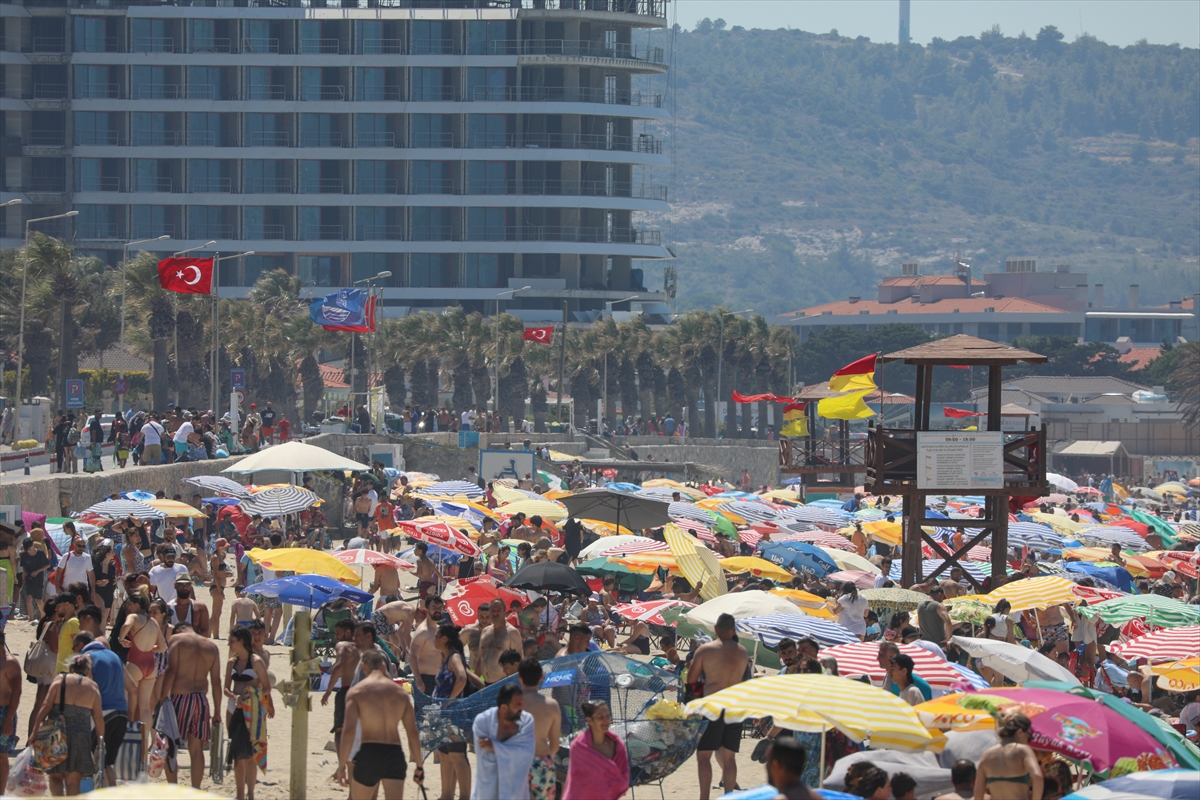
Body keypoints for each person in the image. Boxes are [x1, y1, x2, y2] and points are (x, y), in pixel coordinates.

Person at [337, 650, 424, 800]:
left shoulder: (357, 693)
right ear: (384, 666)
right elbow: (412, 733)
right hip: (394, 753)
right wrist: (419, 766)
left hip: (368, 752)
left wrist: (342, 766)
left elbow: (349, 731)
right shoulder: (400, 694)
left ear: (363, 667)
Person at [690, 613, 749, 800]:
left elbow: (691, 681)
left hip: (713, 706)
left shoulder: (705, 650)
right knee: (729, 758)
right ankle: (729, 796)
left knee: (704, 756)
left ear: (715, 629)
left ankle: (704, 798)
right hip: (735, 707)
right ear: (733, 631)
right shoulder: (742, 652)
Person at [32, 654, 104, 797]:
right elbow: (98, 718)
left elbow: (46, 706)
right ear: (88, 670)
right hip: (81, 738)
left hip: (56, 734)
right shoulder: (93, 687)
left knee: (55, 775)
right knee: (73, 780)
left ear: (70, 668)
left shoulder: (60, 680)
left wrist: (34, 732)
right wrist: (101, 742)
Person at [161, 622, 222, 789]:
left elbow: (171, 671)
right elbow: (216, 682)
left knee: (170, 747)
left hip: (180, 698)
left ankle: (173, 789)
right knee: (196, 750)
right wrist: (217, 711)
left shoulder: (177, 640)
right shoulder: (211, 646)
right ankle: (195, 790)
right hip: (201, 700)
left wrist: (161, 699)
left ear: (178, 630)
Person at [225, 627, 273, 800]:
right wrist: (234, 697)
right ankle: (240, 795)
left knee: (251, 753)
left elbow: (267, 687)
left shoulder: (256, 661)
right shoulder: (231, 662)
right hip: (234, 706)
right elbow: (226, 688)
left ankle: (250, 793)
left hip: (252, 707)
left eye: (232, 641)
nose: (229, 644)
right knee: (237, 751)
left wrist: (252, 695)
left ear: (241, 641)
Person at [119, 586, 168, 750]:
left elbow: (126, 625)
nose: (128, 606)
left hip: (135, 661)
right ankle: (145, 741)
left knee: (128, 703)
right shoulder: (153, 622)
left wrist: (121, 639)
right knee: (146, 706)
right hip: (150, 664)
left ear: (137, 605)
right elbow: (162, 648)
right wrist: (148, 648)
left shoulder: (133, 617)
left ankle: (126, 737)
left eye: (130, 603)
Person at [74, 633, 124, 789]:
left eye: (74, 648)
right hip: (122, 714)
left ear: (81, 645)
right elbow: (133, 688)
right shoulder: (114, 656)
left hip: (103, 714)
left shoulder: (86, 658)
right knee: (107, 763)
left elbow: (87, 686)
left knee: (97, 763)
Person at [472, 682, 536, 800]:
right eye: (518, 704)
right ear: (504, 708)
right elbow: (486, 758)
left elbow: (526, 753)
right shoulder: (483, 722)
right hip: (487, 789)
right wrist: (511, 751)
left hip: (517, 791)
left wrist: (495, 747)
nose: (522, 708)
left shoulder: (527, 721)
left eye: (523, 703)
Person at [432, 624, 471, 799]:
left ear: (444, 639)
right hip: (444, 715)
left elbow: (462, 677)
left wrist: (449, 700)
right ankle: (446, 795)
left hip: (454, 714)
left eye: (436, 636)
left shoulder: (454, 657)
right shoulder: (447, 657)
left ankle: (465, 796)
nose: (434, 640)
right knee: (445, 756)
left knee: (457, 755)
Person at [563, 699, 629, 800]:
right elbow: (575, 784)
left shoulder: (617, 745)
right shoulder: (579, 748)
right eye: (600, 717)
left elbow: (623, 777)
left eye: (607, 716)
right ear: (590, 720)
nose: (606, 720)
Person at [518, 658, 561, 800]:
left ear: (520, 678)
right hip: (542, 761)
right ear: (541, 677)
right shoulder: (551, 705)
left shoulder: (511, 704)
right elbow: (555, 745)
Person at [975, 713, 1043, 800]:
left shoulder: (986, 755)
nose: (1027, 741)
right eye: (1029, 736)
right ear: (1020, 732)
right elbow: (1038, 777)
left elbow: (978, 794)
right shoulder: (1023, 750)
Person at [321, 619, 361, 755]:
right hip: (363, 692)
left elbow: (339, 667)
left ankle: (342, 762)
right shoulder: (365, 646)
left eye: (338, 632)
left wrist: (328, 691)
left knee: (340, 729)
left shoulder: (342, 645)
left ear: (348, 632)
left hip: (347, 690)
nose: (336, 636)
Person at [478, 598, 524, 685]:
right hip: (485, 684)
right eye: (493, 610)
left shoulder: (512, 632)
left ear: (505, 612)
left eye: (499, 610)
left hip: (504, 683)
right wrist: (475, 682)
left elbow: (519, 660)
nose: (495, 613)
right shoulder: (485, 631)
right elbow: (480, 659)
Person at [0, 630, 20, 790]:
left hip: (3, 713)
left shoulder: (10, 663)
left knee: (2, 756)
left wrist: (9, 718)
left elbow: (16, 692)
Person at [168, 574, 211, 639]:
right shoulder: (168, 608)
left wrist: (189, 640)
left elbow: (205, 632)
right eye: (181, 585)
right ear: (175, 586)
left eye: (188, 585)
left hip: (194, 644)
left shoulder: (200, 607)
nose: (184, 587)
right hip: (174, 644)